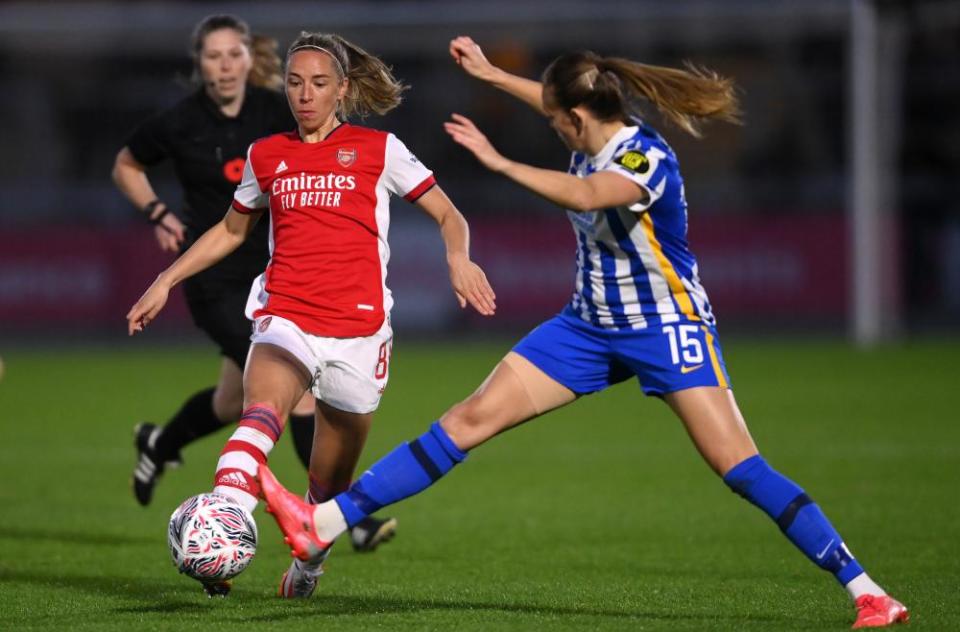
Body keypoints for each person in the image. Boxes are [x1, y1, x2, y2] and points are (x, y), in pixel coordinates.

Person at [256, 37, 909, 629]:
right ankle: (321, 525)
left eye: (555, 117)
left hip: (665, 328)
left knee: (739, 468)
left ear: (576, 118)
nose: (550, 121)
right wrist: (487, 73)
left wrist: (499, 162)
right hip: (587, 328)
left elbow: (591, 196)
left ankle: (868, 591)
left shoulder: (644, 157)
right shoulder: (584, 127)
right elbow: (548, 99)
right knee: (468, 419)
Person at [126, 32, 496, 599]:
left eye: (319, 84)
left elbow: (450, 215)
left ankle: (309, 564)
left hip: (359, 334)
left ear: (342, 89)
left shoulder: (380, 149)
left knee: (329, 487)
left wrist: (459, 257)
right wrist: (165, 279)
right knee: (261, 410)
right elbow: (230, 230)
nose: (305, 95)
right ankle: (220, 524)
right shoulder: (266, 154)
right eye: (295, 83)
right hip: (286, 315)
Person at [113, 16, 397, 556]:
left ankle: (160, 443)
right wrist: (156, 212)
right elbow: (127, 164)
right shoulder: (178, 122)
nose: (223, 65)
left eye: (233, 54)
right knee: (294, 393)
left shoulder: (280, 109)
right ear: (198, 63)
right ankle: (330, 519)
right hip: (217, 280)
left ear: (249, 58)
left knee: (230, 400)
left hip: (276, 272)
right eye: (212, 56)